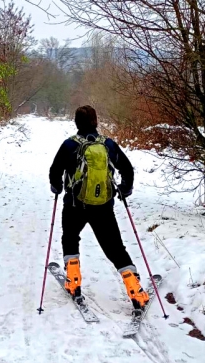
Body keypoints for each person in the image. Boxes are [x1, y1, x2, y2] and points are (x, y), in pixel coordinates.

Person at [48, 105, 150, 310]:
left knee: (70, 238)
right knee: (115, 248)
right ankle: (136, 291)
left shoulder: (69, 145)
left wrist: (57, 187)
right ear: (96, 121)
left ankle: (74, 281)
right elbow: (127, 169)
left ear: (76, 123)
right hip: (103, 207)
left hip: (74, 205)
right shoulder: (109, 145)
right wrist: (124, 189)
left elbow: (54, 171)